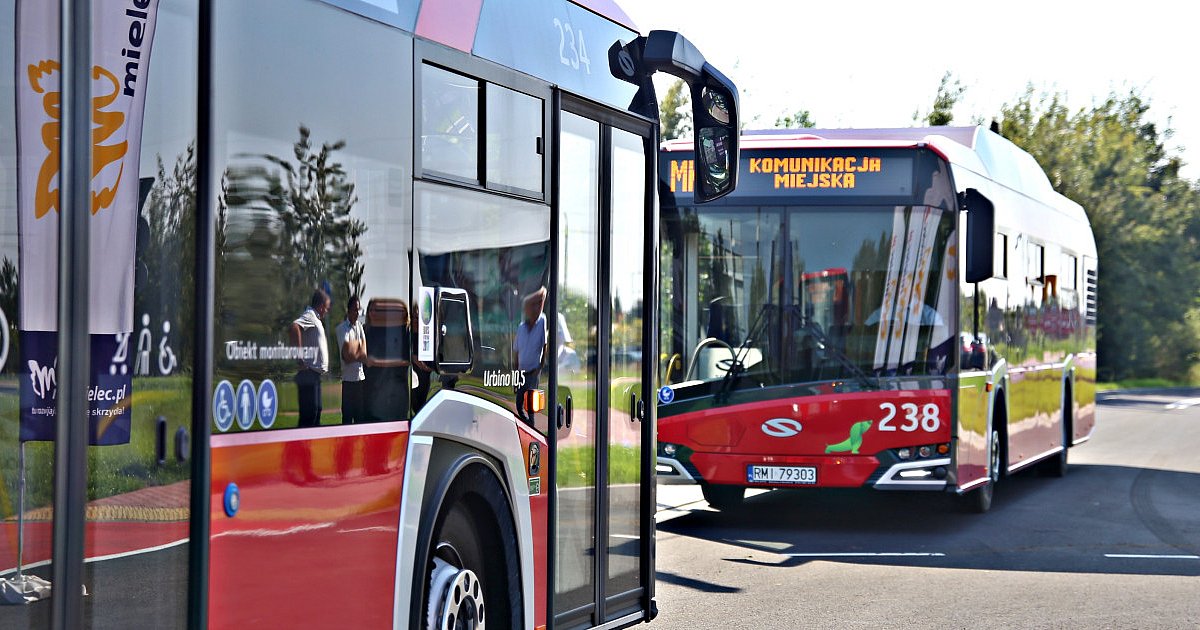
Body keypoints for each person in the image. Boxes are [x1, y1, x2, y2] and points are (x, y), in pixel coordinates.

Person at [364, 298, 410, 421]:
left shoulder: (405, 331)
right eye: (371, 310)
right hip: (371, 381)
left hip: (397, 381)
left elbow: (406, 359)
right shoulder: (366, 330)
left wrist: (377, 362)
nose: (373, 313)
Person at [289, 289, 330, 427]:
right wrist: (299, 357)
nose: (327, 311)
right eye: (326, 307)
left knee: (316, 412)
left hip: (314, 376)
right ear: (321, 306)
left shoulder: (315, 319)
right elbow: (294, 327)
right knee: (309, 416)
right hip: (308, 374)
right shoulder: (310, 315)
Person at [513, 287, 547, 423]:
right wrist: (516, 376)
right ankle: (528, 425)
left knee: (531, 407)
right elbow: (516, 351)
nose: (533, 309)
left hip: (533, 372)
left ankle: (532, 426)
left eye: (536, 305)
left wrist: (540, 366)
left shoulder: (542, 321)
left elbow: (545, 345)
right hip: (521, 373)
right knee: (519, 406)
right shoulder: (521, 327)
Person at [336, 295, 367, 424]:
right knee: (347, 420)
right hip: (348, 381)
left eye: (358, 310)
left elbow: (364, 353)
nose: (357, 313)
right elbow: (347, 356)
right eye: (355, 310)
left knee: (360, 419)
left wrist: (354, 350)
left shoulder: (360, 326)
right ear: (348, 310)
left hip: (360, 380)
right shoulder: (341, 329)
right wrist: (357, 350)